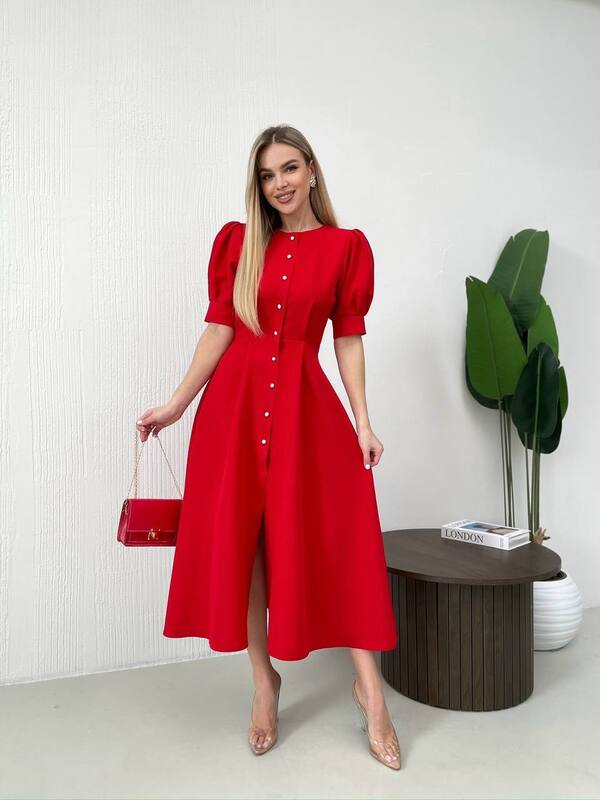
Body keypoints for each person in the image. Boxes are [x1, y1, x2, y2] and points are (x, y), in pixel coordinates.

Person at [136, 125, 401, 770]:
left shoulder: (345, 248)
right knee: (246, 545)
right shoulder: (239, 243)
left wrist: (364, 422)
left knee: (338, 540)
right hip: (232, 411)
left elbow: (348, 339)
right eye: (266, 174)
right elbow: (219, 330)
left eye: (288, 168)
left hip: (307, 413)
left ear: (311, 170)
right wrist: (176, 403)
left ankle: (370, 692)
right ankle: (264, 683)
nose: (279, 183)